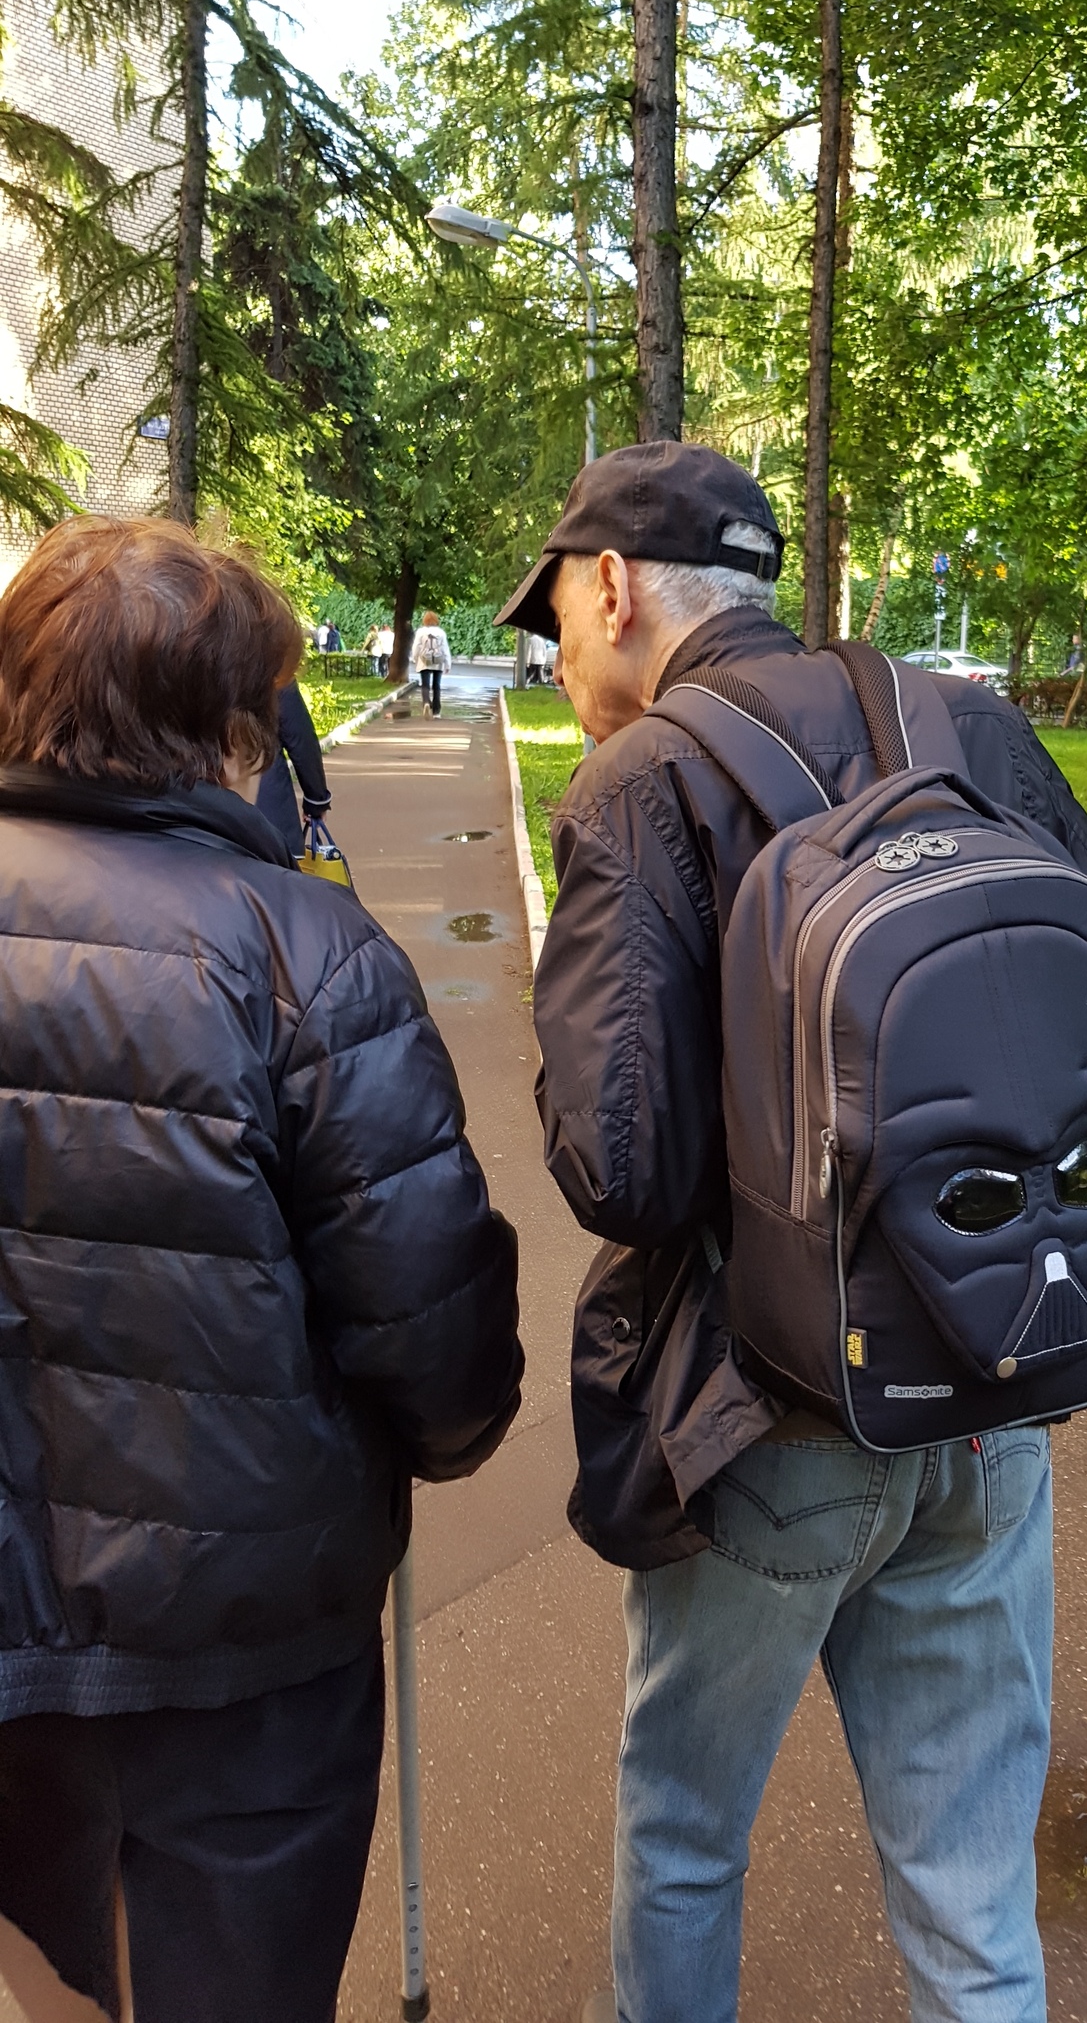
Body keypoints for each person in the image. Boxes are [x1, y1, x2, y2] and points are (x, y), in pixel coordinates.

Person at [497, 442, 1087, 2023]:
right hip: (999, 1375)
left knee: (684, 1838)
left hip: (772, 1416)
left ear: (613, 586)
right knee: (969, 1881)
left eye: (559, 622)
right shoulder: (965, 722)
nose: (562, 660)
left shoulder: (642, 781)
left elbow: (621, 1169)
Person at [0, 516, 524, 2023]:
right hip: (248, 1634)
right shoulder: (307, 950)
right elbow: (429, 1323)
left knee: (55, 1968)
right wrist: (448, 1435)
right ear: (233, 725)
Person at [256, 678, 332, 858]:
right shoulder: (270, 663)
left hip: (190, 819)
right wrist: (316, 800)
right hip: (268, 814)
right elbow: (300, 737)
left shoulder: (179, 656)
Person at [412, 610, 451, 716]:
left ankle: (426, 702)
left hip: (424, 660)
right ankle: (436, 711)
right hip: (438, 662)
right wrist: (448, 664)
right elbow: (445, 649)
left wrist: (415, 658)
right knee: (436, 685)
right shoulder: (441, 632)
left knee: (425, 684)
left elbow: (416, 647)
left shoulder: (420, 632)